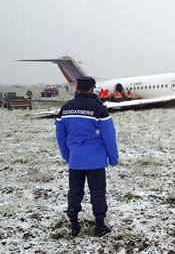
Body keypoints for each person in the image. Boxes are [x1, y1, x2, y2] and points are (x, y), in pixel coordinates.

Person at [55, 76, 119, 237]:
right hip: (95, 162)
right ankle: (99, 226)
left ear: (77, 88)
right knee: (97, 192)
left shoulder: (66, 108)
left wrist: (68, 156)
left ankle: (74, 225)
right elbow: (109, 136)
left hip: (75, 161)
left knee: (75, 192)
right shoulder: (99, 109)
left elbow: (60, 136)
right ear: (92, 89)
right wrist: (113, 158)